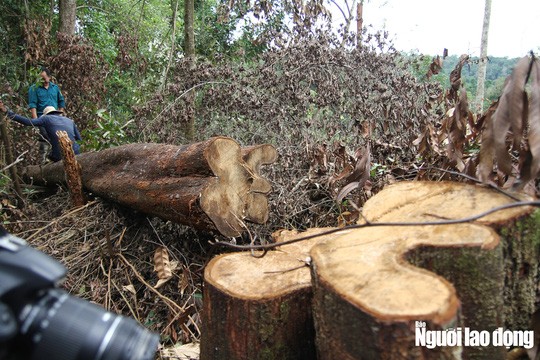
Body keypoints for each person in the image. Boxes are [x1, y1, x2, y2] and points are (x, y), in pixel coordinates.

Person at [0, 102, 81, 163]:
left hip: (61, 154)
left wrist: (8, 112)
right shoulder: (70, 121)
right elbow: (79, 138)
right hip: (76, 152)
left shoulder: (45, 118)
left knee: (50, 157)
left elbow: (28, 122)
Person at [28, 67, 66, 161]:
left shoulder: (55, 88)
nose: (43, 80)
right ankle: (43, 160)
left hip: (55, 117)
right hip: (42, 117)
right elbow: (33, 105)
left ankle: (56, 159)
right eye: (41, 78)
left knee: (58, 138)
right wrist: (36, 121)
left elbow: (61, 102)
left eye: (44, 78)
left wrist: (60, 116)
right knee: (45, 139)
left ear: (49, 77)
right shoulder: (34, 88)